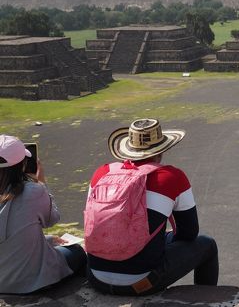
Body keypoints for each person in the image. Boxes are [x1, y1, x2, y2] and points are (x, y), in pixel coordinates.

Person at [85, 119, 218, 296]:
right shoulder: (171, 177)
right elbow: (189, 232)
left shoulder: (102, 173)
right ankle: (208, 299)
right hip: (141, 282)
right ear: (161, 150)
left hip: (95, 277)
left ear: (128, 148)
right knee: (207, 245)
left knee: (157, 237)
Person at [0, 135, 86, 294]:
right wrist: (41, 183)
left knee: (52, 242)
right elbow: (52, 219)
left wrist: (48, 239)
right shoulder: (32, 191)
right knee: (77, 251)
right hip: (30, 283)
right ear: (22, 165)